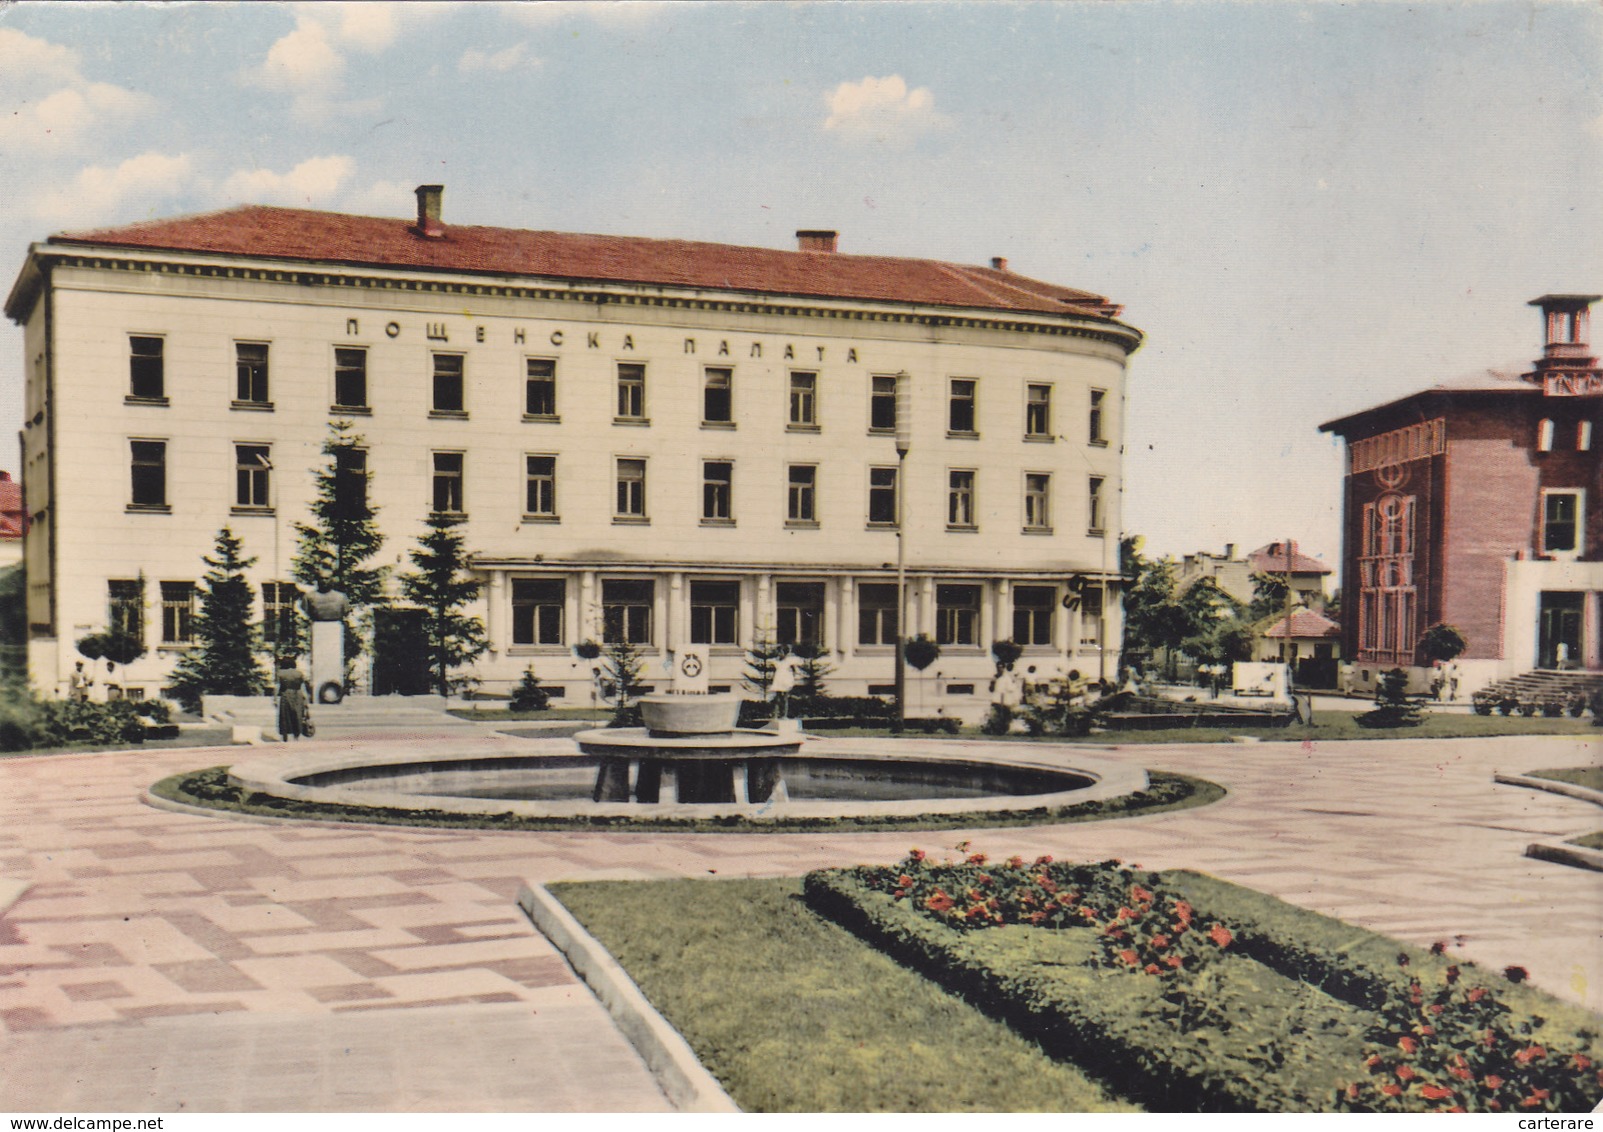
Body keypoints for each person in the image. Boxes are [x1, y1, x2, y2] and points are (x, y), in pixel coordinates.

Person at [276, 657, 310, 740]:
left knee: (285, 715)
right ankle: (296, 736)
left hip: (286, 694)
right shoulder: (299, 673)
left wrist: (274, 698)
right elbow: (303, 688)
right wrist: (306, 700)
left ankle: (285, 736)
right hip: (298, 695)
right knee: (297, 715)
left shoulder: (280, 673)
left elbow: (277, 687)